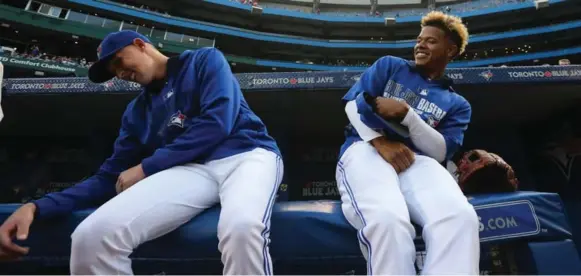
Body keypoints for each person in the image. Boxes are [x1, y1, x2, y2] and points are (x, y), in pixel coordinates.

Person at [0, 30, 283, 275]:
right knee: (91, 236)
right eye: (113, 71)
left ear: (140, 44)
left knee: (242, 229)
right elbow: (109, 177)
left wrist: (147, 167)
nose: (120, 73)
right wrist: (37, 206)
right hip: (191, 170)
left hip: (247, 154)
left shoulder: (203, 59)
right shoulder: (136, 112)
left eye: (118, 61)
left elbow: (217, 123)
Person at [335, 11, 479, 275]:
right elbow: (353, 107)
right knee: (387, 220)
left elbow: (441, 151)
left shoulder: (457, 103)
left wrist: (408, 116)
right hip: (366, 148)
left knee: (461, 218)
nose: (420, 44)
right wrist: (379, 141)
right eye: (419, 39)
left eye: (431, 41)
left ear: (451, 50)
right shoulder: (390, 65)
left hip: (416, 160)